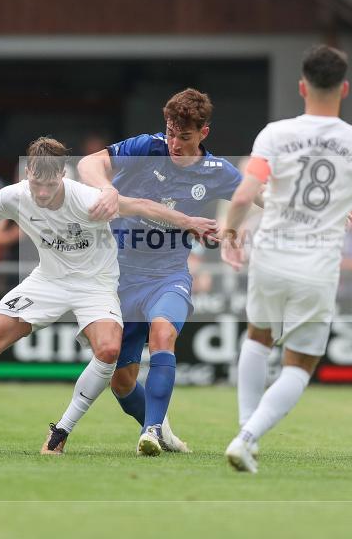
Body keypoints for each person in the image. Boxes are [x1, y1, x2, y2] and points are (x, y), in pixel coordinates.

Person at [0, 137, 218, 454]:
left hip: (96, 284)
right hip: (48, 281)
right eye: (37, 184)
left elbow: (143, 207)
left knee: (108, 350)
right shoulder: (16, 195)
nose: (43, 192)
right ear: (28, 175)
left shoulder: (87, 198)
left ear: (63, 175)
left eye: (50, 184)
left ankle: (60, 432)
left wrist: (190, 222)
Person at [220, 45, 352, 473]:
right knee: (300, 363)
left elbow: (243, 193)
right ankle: (247, 436)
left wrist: (230, 234)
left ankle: (244, 427)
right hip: (317, 265)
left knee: (257, 337)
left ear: (301, 86)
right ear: (344, 88)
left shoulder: (275, 133)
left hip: (271, 252)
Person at [79, 88, 246, 455]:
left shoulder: (217, 171)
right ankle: (160, 429)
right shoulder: (145, 147)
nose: (173, 142)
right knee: (122, 383)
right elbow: (89, 163)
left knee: (162, 333)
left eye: (183, 136)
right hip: (118, 276)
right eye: (170, 132)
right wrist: (106, 188)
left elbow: (263, 194)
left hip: (167, 276)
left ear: (204, 133)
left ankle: (152, 430)